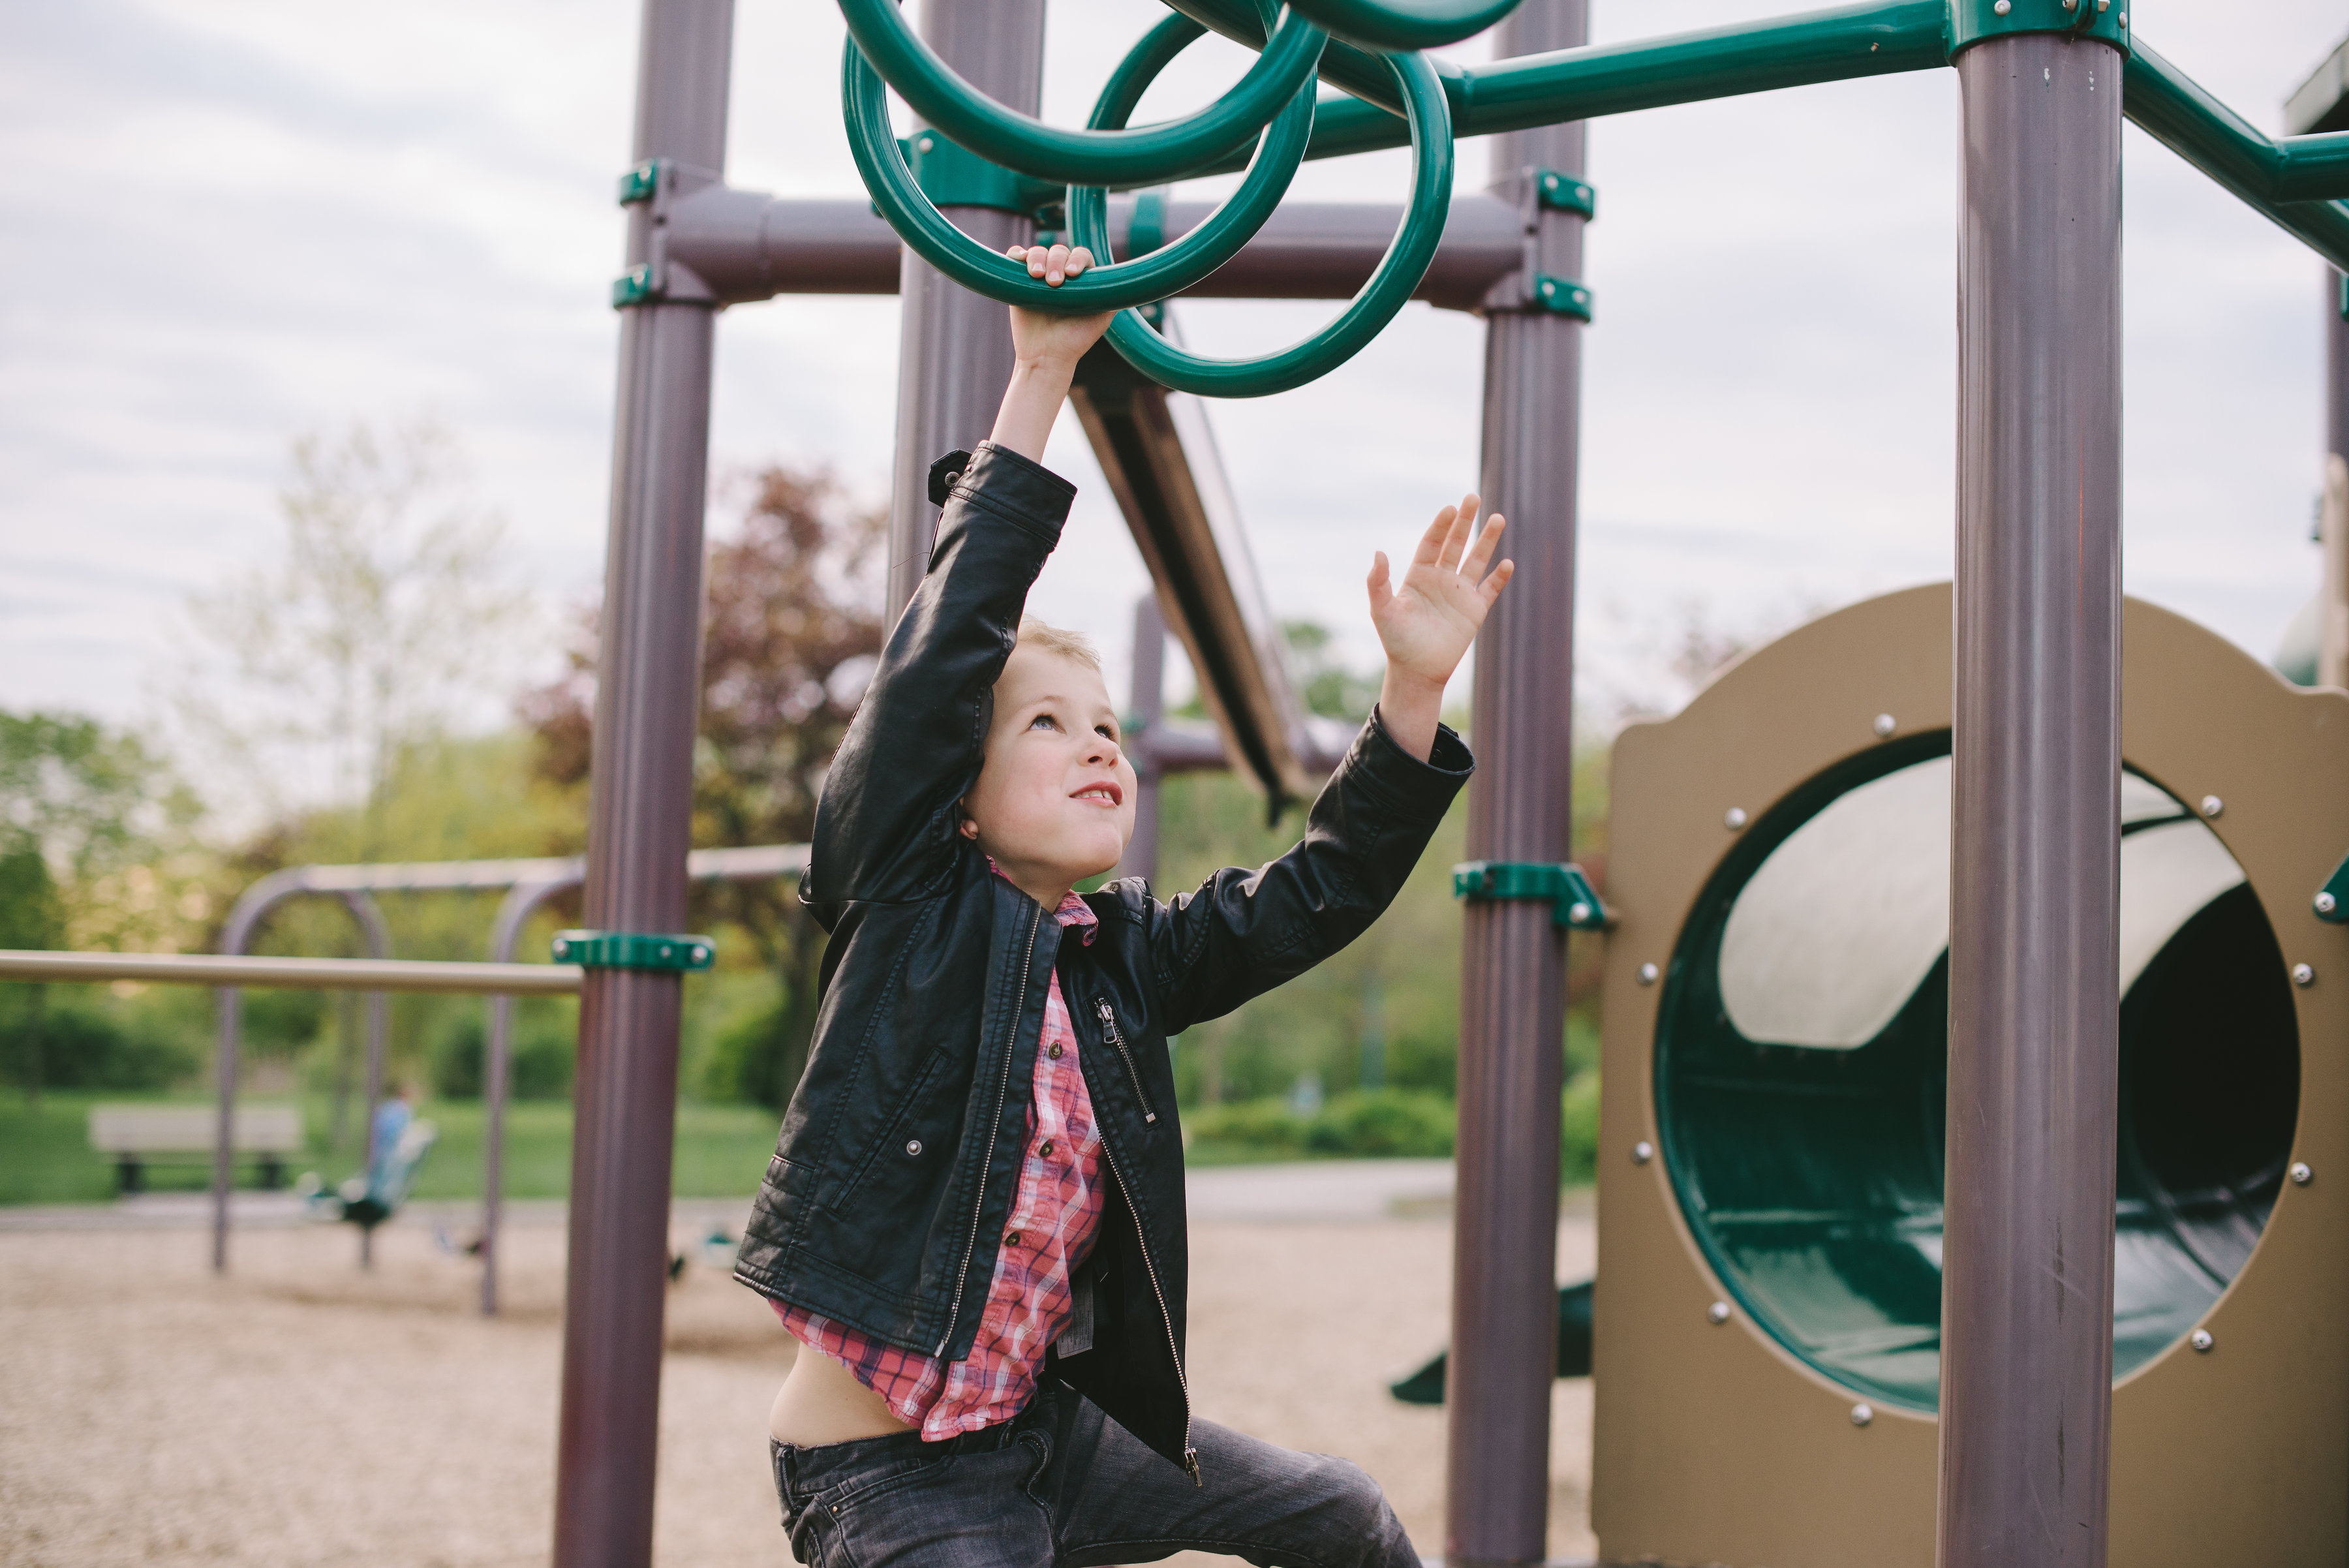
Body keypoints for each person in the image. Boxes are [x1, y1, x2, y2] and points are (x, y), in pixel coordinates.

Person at [731, 241, 1514, 1568]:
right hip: (889, 1480)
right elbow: (940, 665)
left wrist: (1412, 697)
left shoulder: (1121, 955)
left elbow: (1314, 892)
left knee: (1341, 1513)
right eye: (1047, 724)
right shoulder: (906, 897)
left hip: (1055, 1435)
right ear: (957, 795)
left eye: (1108, 725)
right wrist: (1043, 371)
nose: (1102, 745)